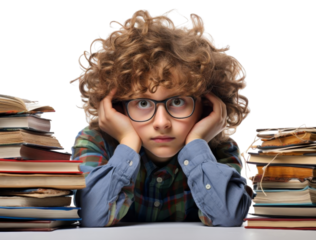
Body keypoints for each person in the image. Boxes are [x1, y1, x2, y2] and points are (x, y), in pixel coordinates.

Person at [69, 6, 254, 227]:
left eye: (177, 102)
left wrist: (197, 144)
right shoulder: (94, 142)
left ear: (205, 106)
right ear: (117, 107)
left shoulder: (218, 149)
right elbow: (91, 217)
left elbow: (229, 217)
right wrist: (129, 142)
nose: (162, 123)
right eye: (143, 103)